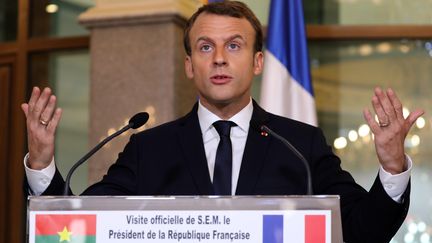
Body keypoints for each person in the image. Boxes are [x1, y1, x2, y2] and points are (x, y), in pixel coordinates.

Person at [22, 2, 423, 242]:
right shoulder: (149, 148)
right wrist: (41, 167)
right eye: (205, 47)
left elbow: (361, 232)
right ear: (189, 66)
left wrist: (391, 168)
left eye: (234, 45)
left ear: (258, 61)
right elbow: (81, 225)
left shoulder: (300, 145)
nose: (218, 58)